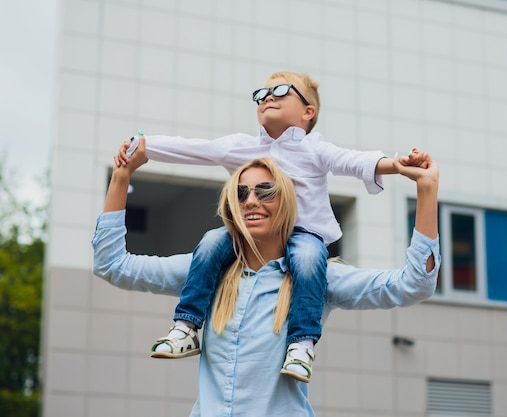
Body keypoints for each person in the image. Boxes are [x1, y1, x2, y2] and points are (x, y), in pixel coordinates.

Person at [93, 137, 440, 416]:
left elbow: (414, 284)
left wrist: (426, 191)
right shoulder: (206, 271)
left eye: (266, 191)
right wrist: (122, 177)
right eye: (241, 193)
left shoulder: (317, 276)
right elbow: (113, 266)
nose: (251, 201)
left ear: (286, 201)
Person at [113, 71, 425, 382]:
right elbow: (195, 148)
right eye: (261, 95)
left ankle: (301, 345)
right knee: (209, 242)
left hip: (305, 235)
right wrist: (143, 144)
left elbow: (352, 160)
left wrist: (395, 165)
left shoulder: (315, 148)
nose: (268, 97)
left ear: (308, 112)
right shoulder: (241, 146)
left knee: (306, 260)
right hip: (248, 235)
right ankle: (187, 327)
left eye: (281, 91)